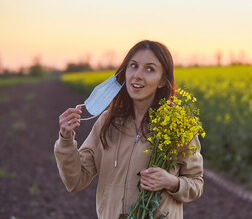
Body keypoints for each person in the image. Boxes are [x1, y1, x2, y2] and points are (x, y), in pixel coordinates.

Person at [54, 40, 203, 219]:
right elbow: (75, 181)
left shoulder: (176, 126)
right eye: (133, 66)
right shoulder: (107, 122)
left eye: (149, 69)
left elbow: (196, 184)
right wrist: (66, 138)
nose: (137, 75)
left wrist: (172, 182)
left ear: (162, 80)